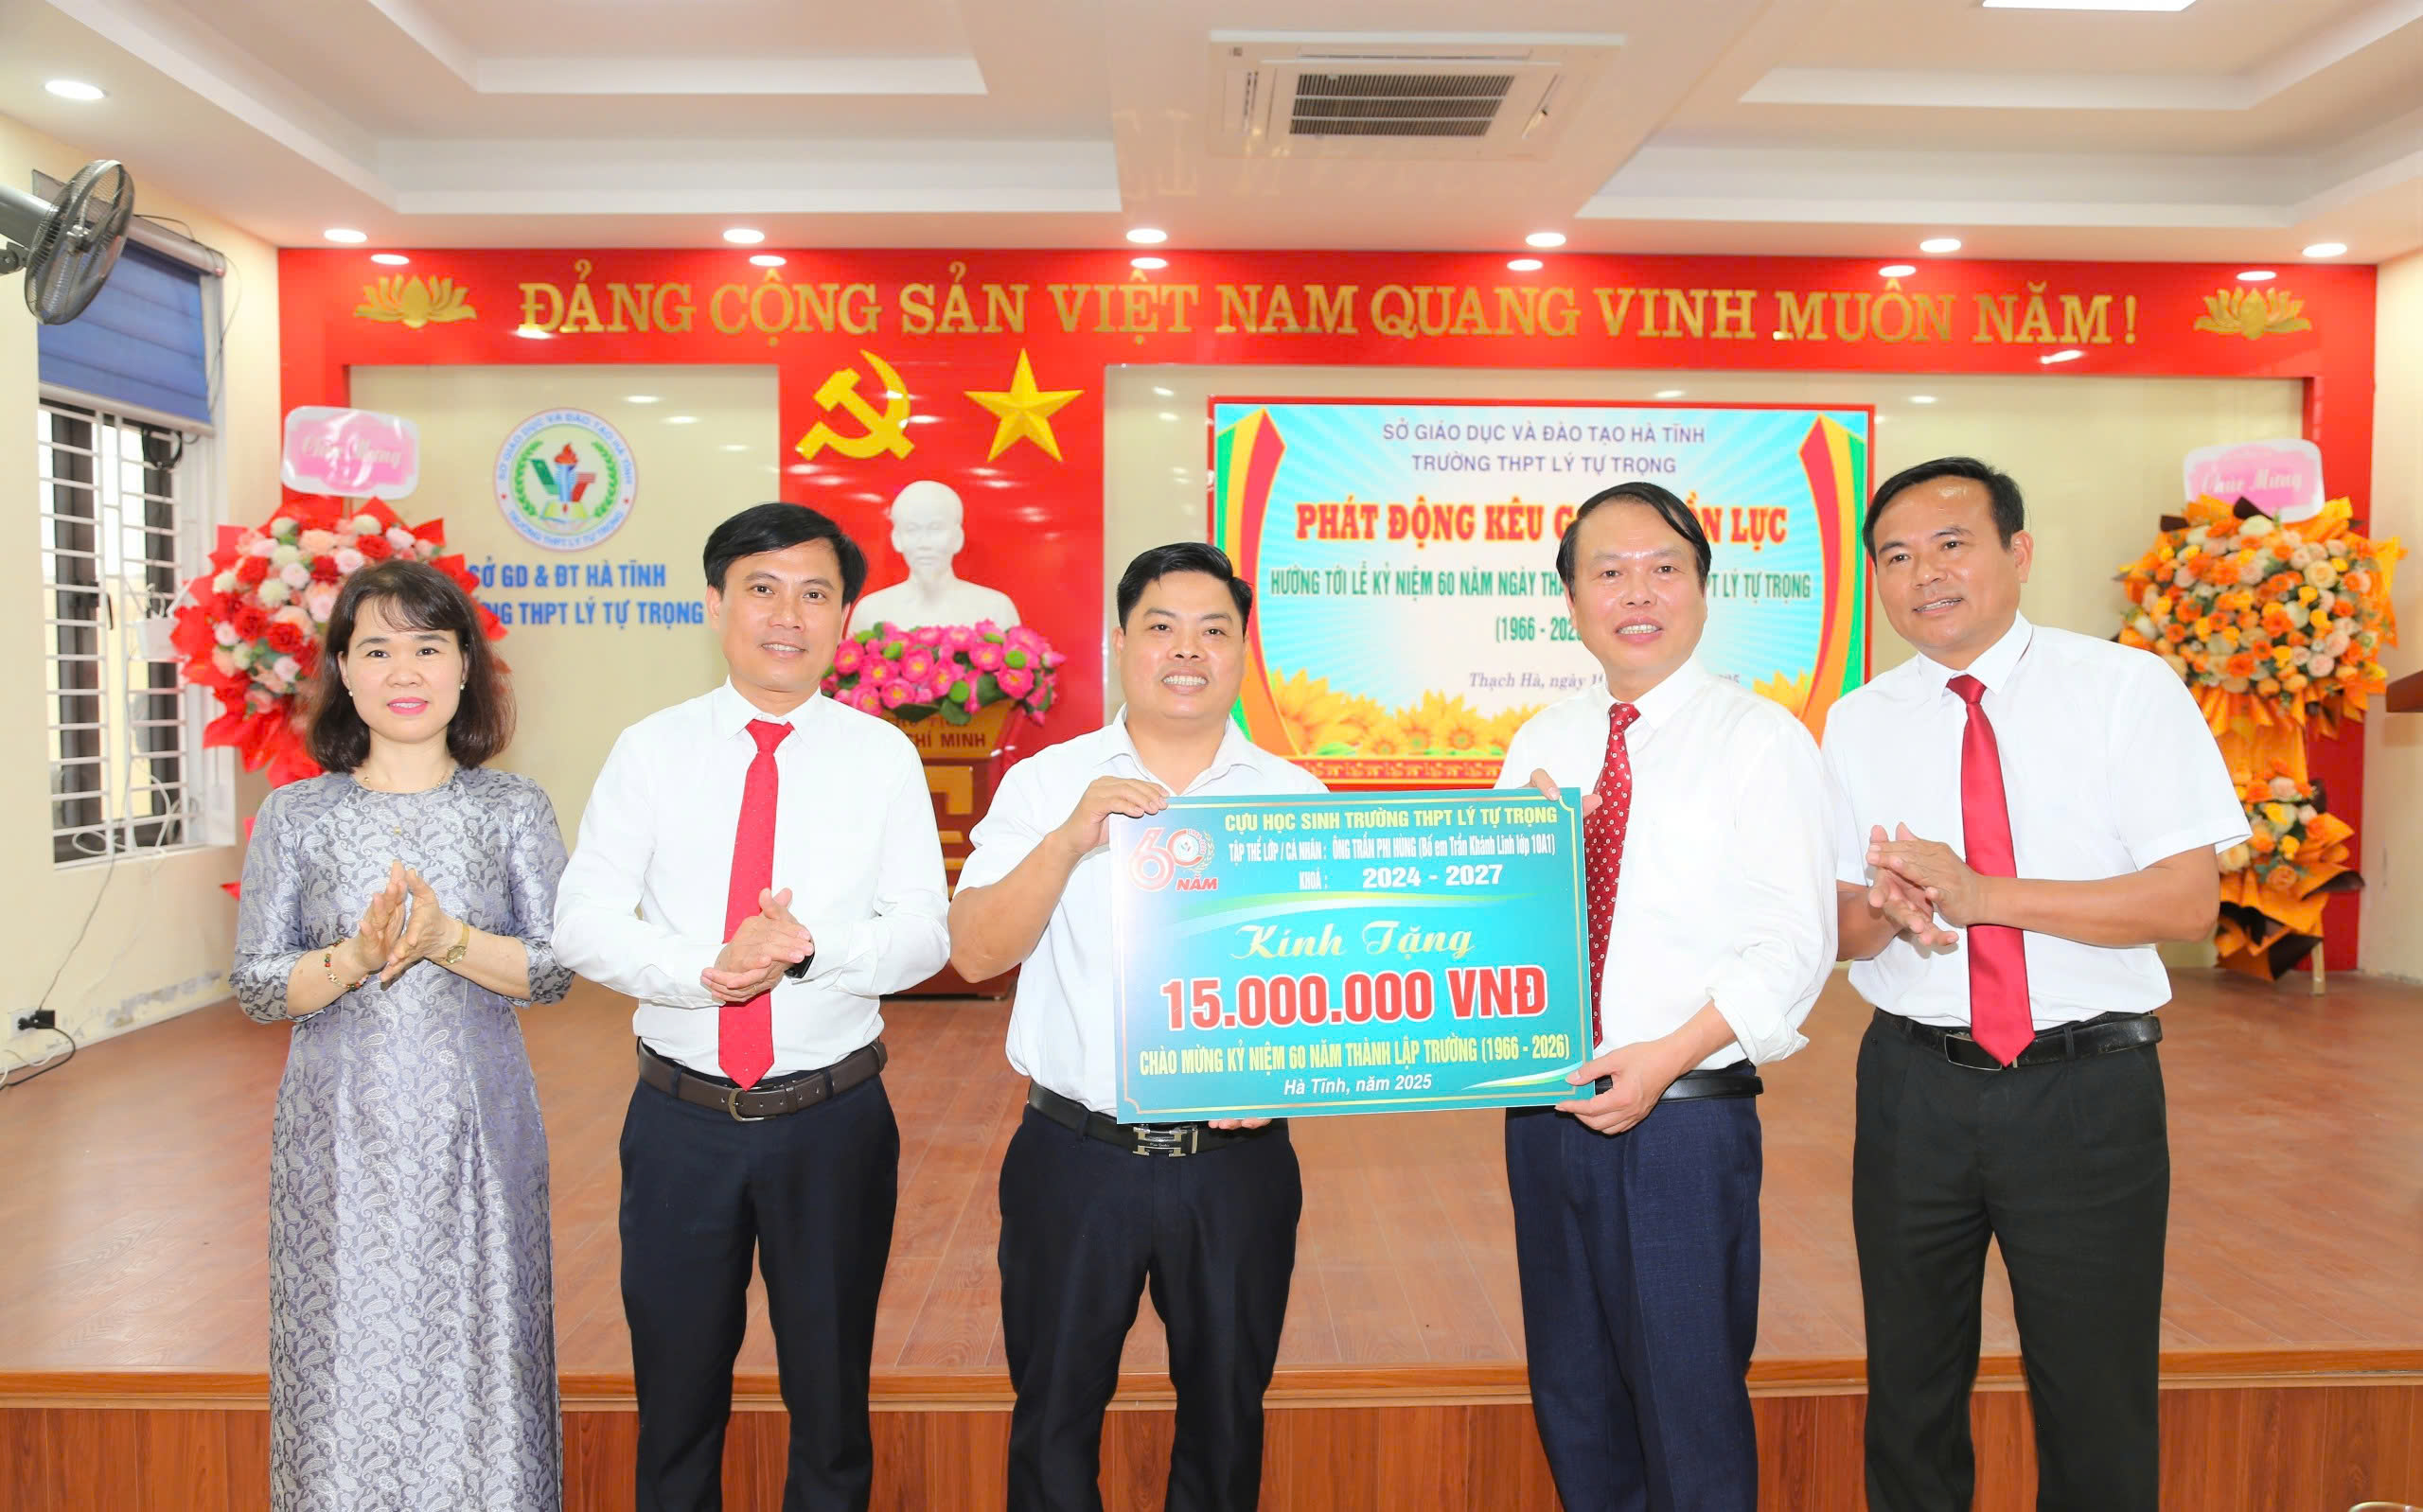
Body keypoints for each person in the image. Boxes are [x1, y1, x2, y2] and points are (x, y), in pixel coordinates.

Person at [1824, 457, 2246, 1512]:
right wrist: (1890, 906)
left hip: (2084, 1088)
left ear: (2017, 553)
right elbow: (1839, 928)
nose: (1924, 573)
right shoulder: (1858, 719)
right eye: (1896, 556)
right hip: (1913, 1087)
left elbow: (2187, 901)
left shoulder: (2125, 688)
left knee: (2095, 1397)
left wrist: (1983, 894)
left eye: (1951, 544)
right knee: (1909, 1393)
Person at [551, 502, 949, 1512]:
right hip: (681, 1122)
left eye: (815, 594)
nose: (788, 615)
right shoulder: (651, 750)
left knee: (832, 1400)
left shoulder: (882, 756)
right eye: (762, 589)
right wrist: (708, 969)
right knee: (676, 1401)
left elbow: (923, 933)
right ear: (715, 604)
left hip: (833, 1121)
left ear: (844, 617)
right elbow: (581, 922)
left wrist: (809, 951)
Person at [947, 542, 1323, 1512]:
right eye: (1162, 626)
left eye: (1213, 629)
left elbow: (1326, 991)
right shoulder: (1048, 783)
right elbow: (977, 950)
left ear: (1242, 650)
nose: (1186, 649)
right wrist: (1069, 840)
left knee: (1228, 1424)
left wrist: (1283, 1076)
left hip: (1235, 1164)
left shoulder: (1295, 798)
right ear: (1120, 642)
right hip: (1076, 1158)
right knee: (1052, 1423)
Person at [1494, 482, 1837, 1512]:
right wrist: (1526, 864)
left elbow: (1793, 945)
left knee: (1688, 1405)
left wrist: (1665, 1056)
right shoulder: (1541, 741)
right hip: (1546, 1110)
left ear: (1702, 588)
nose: (1636, 592)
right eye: (1608, 571)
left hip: (1681, 1118)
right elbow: (1499, 930)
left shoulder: (1760, 739)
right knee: (1575, 1395)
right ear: (1570, 600)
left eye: (1663, 568)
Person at [232, 559, 574, 1512]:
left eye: (428, 646)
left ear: (466, 666)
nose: (405, 670)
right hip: (338, 1136)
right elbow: (257, 986)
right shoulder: (296, 816)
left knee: (484, 1341)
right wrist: (356, 955)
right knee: (345, 1345)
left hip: (481, 1131)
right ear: (343, 669)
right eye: (377, 649)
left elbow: (553, 970)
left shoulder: (512, 809)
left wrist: (445, 940)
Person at [847, 479, 1021, 632]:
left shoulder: (996, 609)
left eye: (936, 528)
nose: (924, 543)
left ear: (957, 537)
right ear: (897, 538)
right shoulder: (870, 612)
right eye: (912, 529)